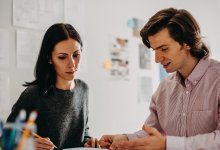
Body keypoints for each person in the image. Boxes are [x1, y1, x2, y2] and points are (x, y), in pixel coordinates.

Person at [99, 7, 220, 150]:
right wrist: (125, 139)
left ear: (187, 43)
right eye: (154, 50)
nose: (156, 59)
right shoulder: (164, 88)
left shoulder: (217, 79)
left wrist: (167, 144)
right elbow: (152, 133)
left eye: (164, 49)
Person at [7, 23, 99, 150]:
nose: (72, 64)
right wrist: (28, 144)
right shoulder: (33, 94)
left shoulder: (83, 89)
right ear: (49, 58)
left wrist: (88, 141)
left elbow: (84, 130)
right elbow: (6, 137)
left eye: (76, 55)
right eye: (62, 57)